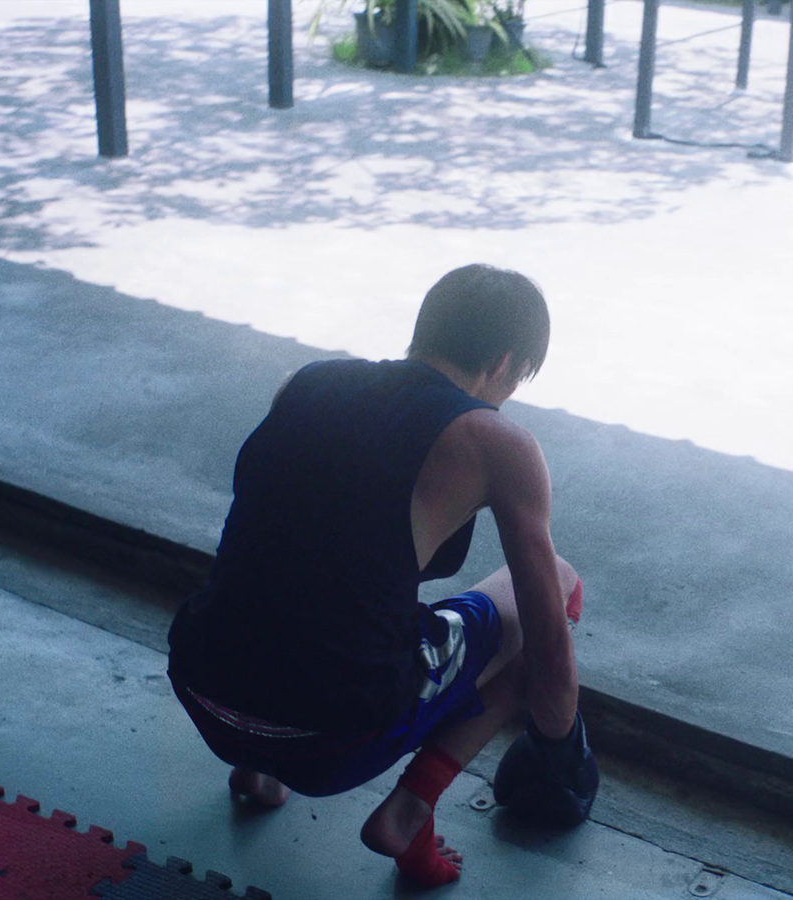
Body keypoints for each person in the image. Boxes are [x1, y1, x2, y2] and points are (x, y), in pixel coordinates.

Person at [166, 264, 589, 888]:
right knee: (555, 585)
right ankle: (410, 805)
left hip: (202, 691)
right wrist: (560, 751)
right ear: (503, 363)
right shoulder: (493, 440)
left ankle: (257, 772)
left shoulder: (307, 383)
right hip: (331, 740)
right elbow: (550, 652)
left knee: (307, 582)